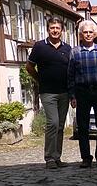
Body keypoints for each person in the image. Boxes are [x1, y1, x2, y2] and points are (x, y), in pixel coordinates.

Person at [68, 20, 97, 169]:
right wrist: (72, 95)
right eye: (85, 32)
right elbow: (70, 75)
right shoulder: (74, 52)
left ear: (95, 34)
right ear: (81, 34)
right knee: (83, 126)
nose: (88, 35)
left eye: (90, 32)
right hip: (82, 91)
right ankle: (86, 158)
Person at [26, 17, 72, 169]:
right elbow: (29, 67)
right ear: (48, 29)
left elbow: (71, 71)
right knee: (52, 122)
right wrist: (40, 80)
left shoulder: (67, 48)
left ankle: (57, 157)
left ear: (62, 30)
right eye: (52, 27)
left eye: (58, 28)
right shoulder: (40, 46)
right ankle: (49, 158)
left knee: (60, 126)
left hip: (64, 92)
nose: (55, 30)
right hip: (48, 92)